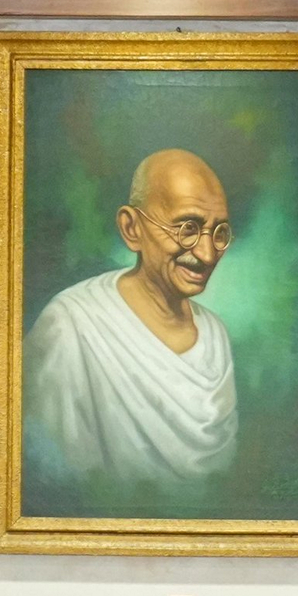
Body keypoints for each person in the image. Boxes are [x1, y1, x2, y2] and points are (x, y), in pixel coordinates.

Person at [23, 149, 239, 489]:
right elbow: (51, 480)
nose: (207, 253)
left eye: (219, 232)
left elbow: (225, 479)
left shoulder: (214, 334)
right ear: (131, 227)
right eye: (187, 228)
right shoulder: (71, 326)